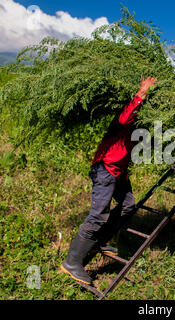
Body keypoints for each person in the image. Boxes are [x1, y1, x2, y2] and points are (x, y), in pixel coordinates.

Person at [60, 76, 159, 285]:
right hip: (105, 169)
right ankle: (72, 262)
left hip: (118, 173)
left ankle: (99, 241)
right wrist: (143, 92)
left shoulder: (138, 129)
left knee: (127, 205)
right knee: (98, 215)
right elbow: (126, 117)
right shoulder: (123, 119)